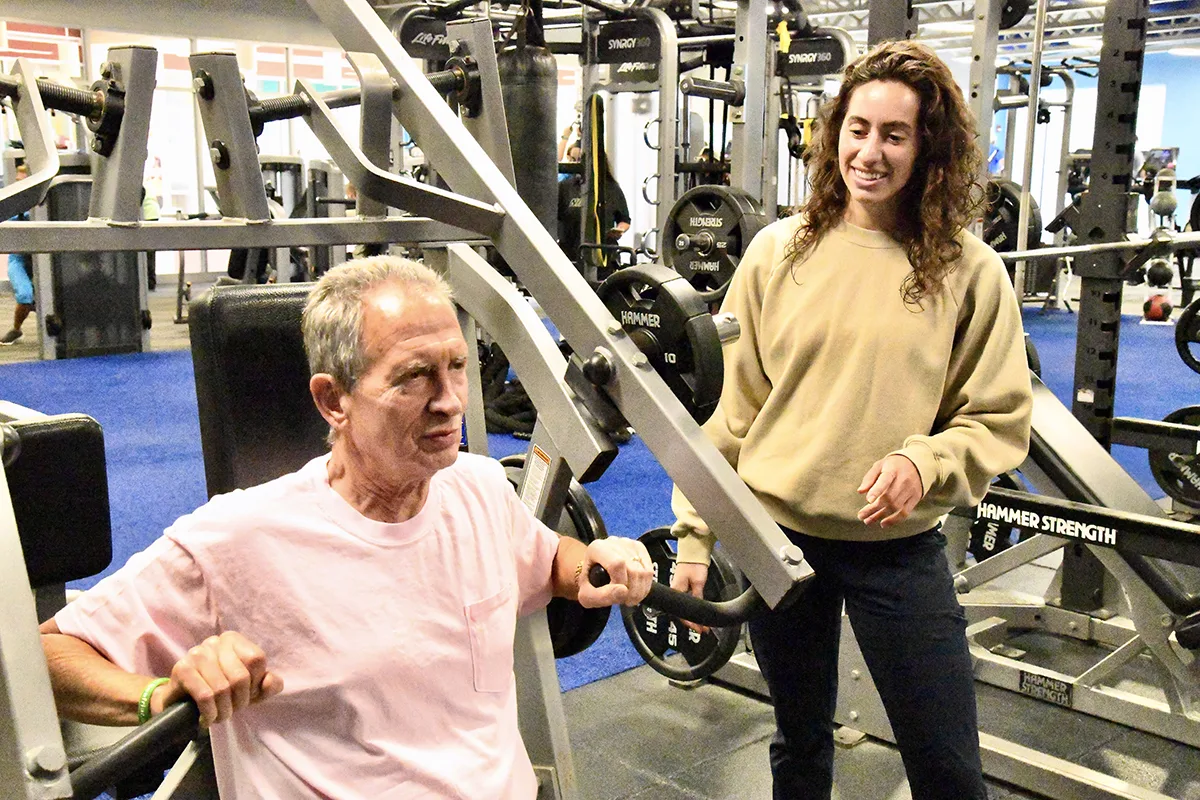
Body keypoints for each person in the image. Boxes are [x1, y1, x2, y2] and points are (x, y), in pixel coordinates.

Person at [40, 255, 654, 798]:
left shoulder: (480, 488)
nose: (451, 401)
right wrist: (160, 696)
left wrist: (593, 564)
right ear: (334, 401)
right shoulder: (237, 537)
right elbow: (46, 653)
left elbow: (546, 559)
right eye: (415, 376)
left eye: (457, 367)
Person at [669, 41, 1033, 800]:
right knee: (799, 745)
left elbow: (996, 418)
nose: (870, 152)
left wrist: (922, 462)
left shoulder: (968, 269)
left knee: (948, 768)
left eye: (894, 135)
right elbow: (729, 413)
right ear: (834, 133)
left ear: (927, 148)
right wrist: (696, 538)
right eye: (857, 128)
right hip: (777, 541)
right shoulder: (777, 252)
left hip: (894, 550)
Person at [556, 142, 630, 276]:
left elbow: (624, 220)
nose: (578, 163)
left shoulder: (611, 188)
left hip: (604, 257)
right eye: (574, 160)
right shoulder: (565, 187)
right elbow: (552, 218)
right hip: (570, 257)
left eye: (581, 159)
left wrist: (619, 230)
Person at [3, 160, 34, 346]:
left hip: (44, 257)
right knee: (25, 294)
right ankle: (16, 330)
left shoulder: (43, 205)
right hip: (19, 257)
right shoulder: (10, 207)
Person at [141, 186, 160, 291]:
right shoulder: (145, 184)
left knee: (147, 253)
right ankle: (151, 282)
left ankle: (149, 282)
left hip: (147, 216)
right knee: (150, 252)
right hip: (153, 214)